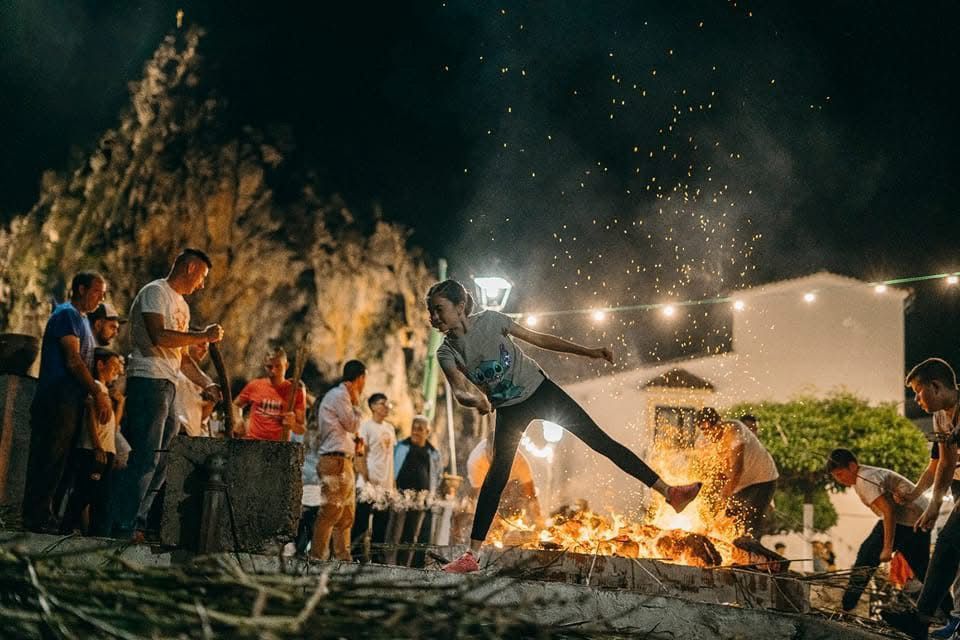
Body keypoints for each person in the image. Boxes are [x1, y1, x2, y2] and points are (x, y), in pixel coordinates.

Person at [426, 279, 701, 573]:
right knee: (497, 476)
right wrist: (474, 400)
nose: (434, 317)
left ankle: (669, 493)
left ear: (460, 307)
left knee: (600, 441)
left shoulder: (493, 320)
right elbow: (459, 390)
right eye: (431, 311)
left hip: (542, 391)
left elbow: (541, 339)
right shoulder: (446, 352)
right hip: (508, 410)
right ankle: (472, 556)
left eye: (439, 309)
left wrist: (589, 351)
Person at [108, 248, 223, 541]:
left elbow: (182, 357)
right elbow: (159, 336)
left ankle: (138, 520)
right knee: (145, 455)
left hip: (170, 383)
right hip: (148, 377)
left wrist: (207, 383)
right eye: (203, 277)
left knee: (163, 459)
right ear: (190, 268)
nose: (203, 285)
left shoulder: (183, 307)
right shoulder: (155, 293)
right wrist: (203, 336)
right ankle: (121, 524)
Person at [22, 272, 110, 532]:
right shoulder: (66, 314)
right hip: (57, 396)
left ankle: (45, 515)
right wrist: (98, 391)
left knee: (60, 461)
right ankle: (35, 517)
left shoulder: (83, 321)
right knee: (48, 457)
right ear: (80, 289)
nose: (100, 298)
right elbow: (73, 359)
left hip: (71, 399)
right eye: (97, 292)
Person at [882, 358, 960, 640]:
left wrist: (935, 507)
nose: (916, 399)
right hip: (958, 489)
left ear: (936, 386)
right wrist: (924, 499)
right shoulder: (941, 416)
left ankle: (921, 617)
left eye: (918, 391)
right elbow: (943, 463)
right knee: (953, 549)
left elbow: (948, 465)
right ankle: (949, 619)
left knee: (948, 544)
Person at [827, 448, 943, 613]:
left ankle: (846, 607)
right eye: (835, 477)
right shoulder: (866, 476)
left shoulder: (864, 479)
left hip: (908, 519)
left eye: (840, 474)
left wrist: (887, 548)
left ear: (852, 466)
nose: (840, 479)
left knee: (866, 557)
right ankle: (950, 612)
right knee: (924, 571)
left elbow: (889, 513)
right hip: (919, 519)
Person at [60, 348, 124, 535]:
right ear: (100, 364)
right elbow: (90, 417)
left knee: (101, 496)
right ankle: (66, 527)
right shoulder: (95, 388)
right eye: (113, 366)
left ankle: (95, 534)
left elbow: (112, 426)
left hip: (107, 449)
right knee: (84, 492)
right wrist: (97, 446)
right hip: (92, 450)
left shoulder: (105, 392)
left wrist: (120, 404)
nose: (117, 371)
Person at [311, 360, 366, 561]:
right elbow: (351, 424)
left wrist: (355, 444)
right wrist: (358, 406)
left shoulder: (340, 397)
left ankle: (343, 559)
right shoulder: (340, 395)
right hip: (335, 462)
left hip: (343, 461)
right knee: (331, 511)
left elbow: (344, 431)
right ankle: (317, 558)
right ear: (360, 378)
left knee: (346, 515)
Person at [696, 408, 778, 538]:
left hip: (763, 479)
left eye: (714, 428)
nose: (711, 434)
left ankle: (751, 552)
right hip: (739, 485)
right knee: (727, 523)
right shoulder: (702, 443)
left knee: (749, 525)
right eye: (705, 430)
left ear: (720, 422)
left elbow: (736, 470)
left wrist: (723, 500)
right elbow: (712, 473)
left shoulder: (734, 430)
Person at [352, 393, 397, 561]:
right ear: (372, 406)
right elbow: (360, 455)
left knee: (381, 527)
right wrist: (367, 478)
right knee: (361, 525)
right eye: (382, 404)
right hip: (367, 484)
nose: (386, 407)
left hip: (385, 485)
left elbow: (390, 458)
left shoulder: (390, 428)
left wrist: (392, 485)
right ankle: (356, 556)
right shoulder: (365, 427)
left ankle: (377, 560)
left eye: (387, 404)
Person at [393, 415, 442, 567]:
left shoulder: (433, 453)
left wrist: (430, 494)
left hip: (421, 499)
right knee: (394, 532)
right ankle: (389, 562)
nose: (416, 431)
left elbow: (438, 475)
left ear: (428, 431)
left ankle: (405, 564)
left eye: (420, 429)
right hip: (399, 496)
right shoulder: (401, 446)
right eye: (414, 428)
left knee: (412, 534)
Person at [466, 428, 541, 523]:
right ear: (486, 451)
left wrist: (538, 518)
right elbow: (480, 497)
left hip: (513, 482)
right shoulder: (476, 462)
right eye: (494, 456)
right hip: (488, 485)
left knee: (522, 500)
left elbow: (530, 492)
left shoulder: (518, 459)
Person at [234, 347, 306, 441]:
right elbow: (235, 405)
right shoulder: (255, 385)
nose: (273, 371)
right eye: (269, 367)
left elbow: (302, 429)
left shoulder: (295, 392)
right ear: (265, 366)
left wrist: (292, 425)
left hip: (279, 447)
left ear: (286, 365)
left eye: (278, 366)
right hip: (253, 443)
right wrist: (238, 419)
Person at [173, 343, 215, 436]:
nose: (204, 350)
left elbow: (202, 417)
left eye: (206, 348)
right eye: (200, 344)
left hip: (192, 433)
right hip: (175, 428)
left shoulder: (205, 381)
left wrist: (211, 403)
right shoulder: (173, 370)